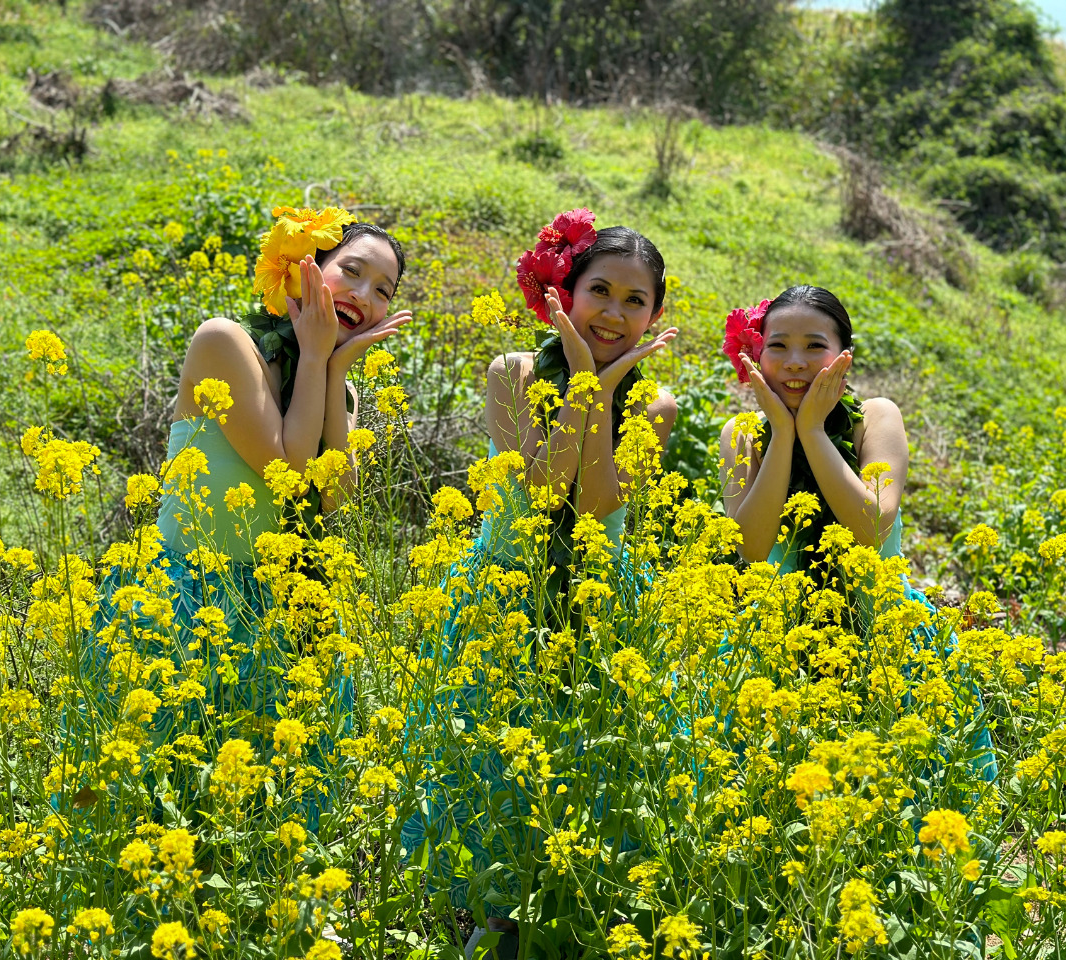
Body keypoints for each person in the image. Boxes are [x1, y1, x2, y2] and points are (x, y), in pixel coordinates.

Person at [400, 210, 678, 956]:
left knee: (586, 755)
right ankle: (481, 918)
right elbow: (541, 490)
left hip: (601, 594)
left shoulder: (656, 405)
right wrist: (587, 385)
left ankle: (569, 908)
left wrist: (605, 389)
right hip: (503, 587)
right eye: (600, 291)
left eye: (635, 301)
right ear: (565, 291)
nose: (615, 313)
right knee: (488, 753)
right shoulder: (511, 372)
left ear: (657, 313)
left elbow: (593, 506)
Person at [78, 207, 411, 823]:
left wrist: (332, 369)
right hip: (182, 599)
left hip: (279, 603)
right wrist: (319, 359)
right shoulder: (224, 341)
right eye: (352, 272)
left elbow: (331, 495)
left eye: (382, 291)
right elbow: (285, 467)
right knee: (158, 796)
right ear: (300, 267)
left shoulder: (334, 379)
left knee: (266, 809)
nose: (363, 296)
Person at [717, 283, 995, 779]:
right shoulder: (742, 434)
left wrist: (813, 431)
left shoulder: (875, 418)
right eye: (777, 346)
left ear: (844, 357)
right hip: (777, 639)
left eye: (814, 346)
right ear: (757, 355)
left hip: (885, 635)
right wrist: (783, 434)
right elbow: (753, 549)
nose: (795, 361)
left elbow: (869, 527)